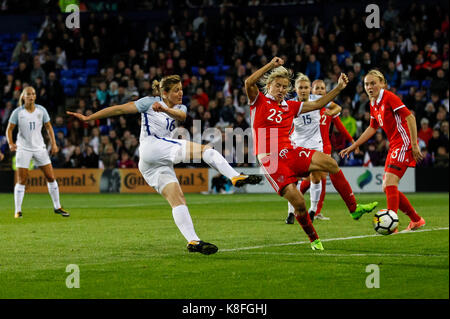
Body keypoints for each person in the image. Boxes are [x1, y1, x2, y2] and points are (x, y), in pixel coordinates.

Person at [67, 75, 262, 255]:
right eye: (176, 90)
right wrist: (89, 118)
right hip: (152, 147)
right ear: (164, 93)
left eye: (181, 89)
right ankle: (235, 176)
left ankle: (193, 241)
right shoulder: (149, 103)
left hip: (152, 164)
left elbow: (182, 117)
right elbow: (119, 109)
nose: (180, 93)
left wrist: (165, 109)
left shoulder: (180, 107)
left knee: (178, 198)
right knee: (205, 151)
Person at [244, 57, 378, 251]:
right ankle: (314, 239)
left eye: (284, 87)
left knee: (330, 163)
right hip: (270, 160)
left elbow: (317, 105)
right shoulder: (258, 101)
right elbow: (248, 82)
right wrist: (271, 66)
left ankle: (354, 209)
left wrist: (339, 88)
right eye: (278, 86)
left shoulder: (289, 106)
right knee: (299, 203)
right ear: (269, 85)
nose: (281, 90)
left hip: (290, 152)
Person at [340, 69, 426, 231]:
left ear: (382, 83)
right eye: (367, 84)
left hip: (404, 143)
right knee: (387, 187)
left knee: (390, 183)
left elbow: (410, 117)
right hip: (394, 145)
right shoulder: (373, 103)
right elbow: (372, 128)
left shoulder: (389, 97)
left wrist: (414, 145)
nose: (370, 86)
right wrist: (354, 145)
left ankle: (391, 225)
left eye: (373, 83)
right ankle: (416, 220)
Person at [285, 76, 356, 224]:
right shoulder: (289, 104)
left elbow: (337, 107)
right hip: (297, 145)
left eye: (306, 87)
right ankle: (291, 213)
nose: (303, 90)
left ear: (309, 89)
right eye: (301, 88)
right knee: (295, 179)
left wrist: (331, 112)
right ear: (295, 89)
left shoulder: (317, 99)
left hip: (317, 145)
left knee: (317, 177)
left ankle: (313, 210)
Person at [6, 86, 70, 219]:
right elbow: (9, 129)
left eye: (33, 94)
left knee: (51, 177)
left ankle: (57, 207)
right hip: (23, 148)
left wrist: (54, 143)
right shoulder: (18, 112)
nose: (31, 96)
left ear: (35, 96)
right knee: (22, 180)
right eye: (28, 94)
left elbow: (49, 127)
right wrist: (11, 143)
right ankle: (18, 211)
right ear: (23, 97)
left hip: (39, 148)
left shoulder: (41, 111)